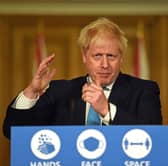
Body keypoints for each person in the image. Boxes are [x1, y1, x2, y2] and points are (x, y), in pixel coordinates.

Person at [3, 17, 162, 139]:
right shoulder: (60, 91)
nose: (105, 64)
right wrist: (31, 91)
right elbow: (13, 132)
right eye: (97, 55)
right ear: (85, 56)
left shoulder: (144, 90)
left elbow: (154, 138)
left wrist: (106, 110)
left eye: (111, 56)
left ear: (121, 58)